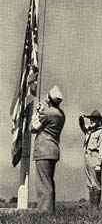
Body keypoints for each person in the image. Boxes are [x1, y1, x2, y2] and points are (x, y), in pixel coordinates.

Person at [30, 85, 65, 213]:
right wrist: (42, 111)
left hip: (43, 150)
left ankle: (45, 212)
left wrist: (36, 115)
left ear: (49, 99)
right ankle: (50, 210)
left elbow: (33, 128)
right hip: (53, 150)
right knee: (49, 182)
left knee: (43, 183)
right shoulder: (61, 114)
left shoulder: (48, 113)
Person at [79, 110, 102, 212]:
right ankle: (92, 207)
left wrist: (99, 163)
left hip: (95, 158)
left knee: (96, 184)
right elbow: (82, 126)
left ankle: (95, 208)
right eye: (90, 119)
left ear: (99, 121)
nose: (91, 121)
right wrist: (81, 119)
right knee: (89, 183)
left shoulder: (101, 132)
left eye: (94, 119)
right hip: (87, 158)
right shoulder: (89, 131)